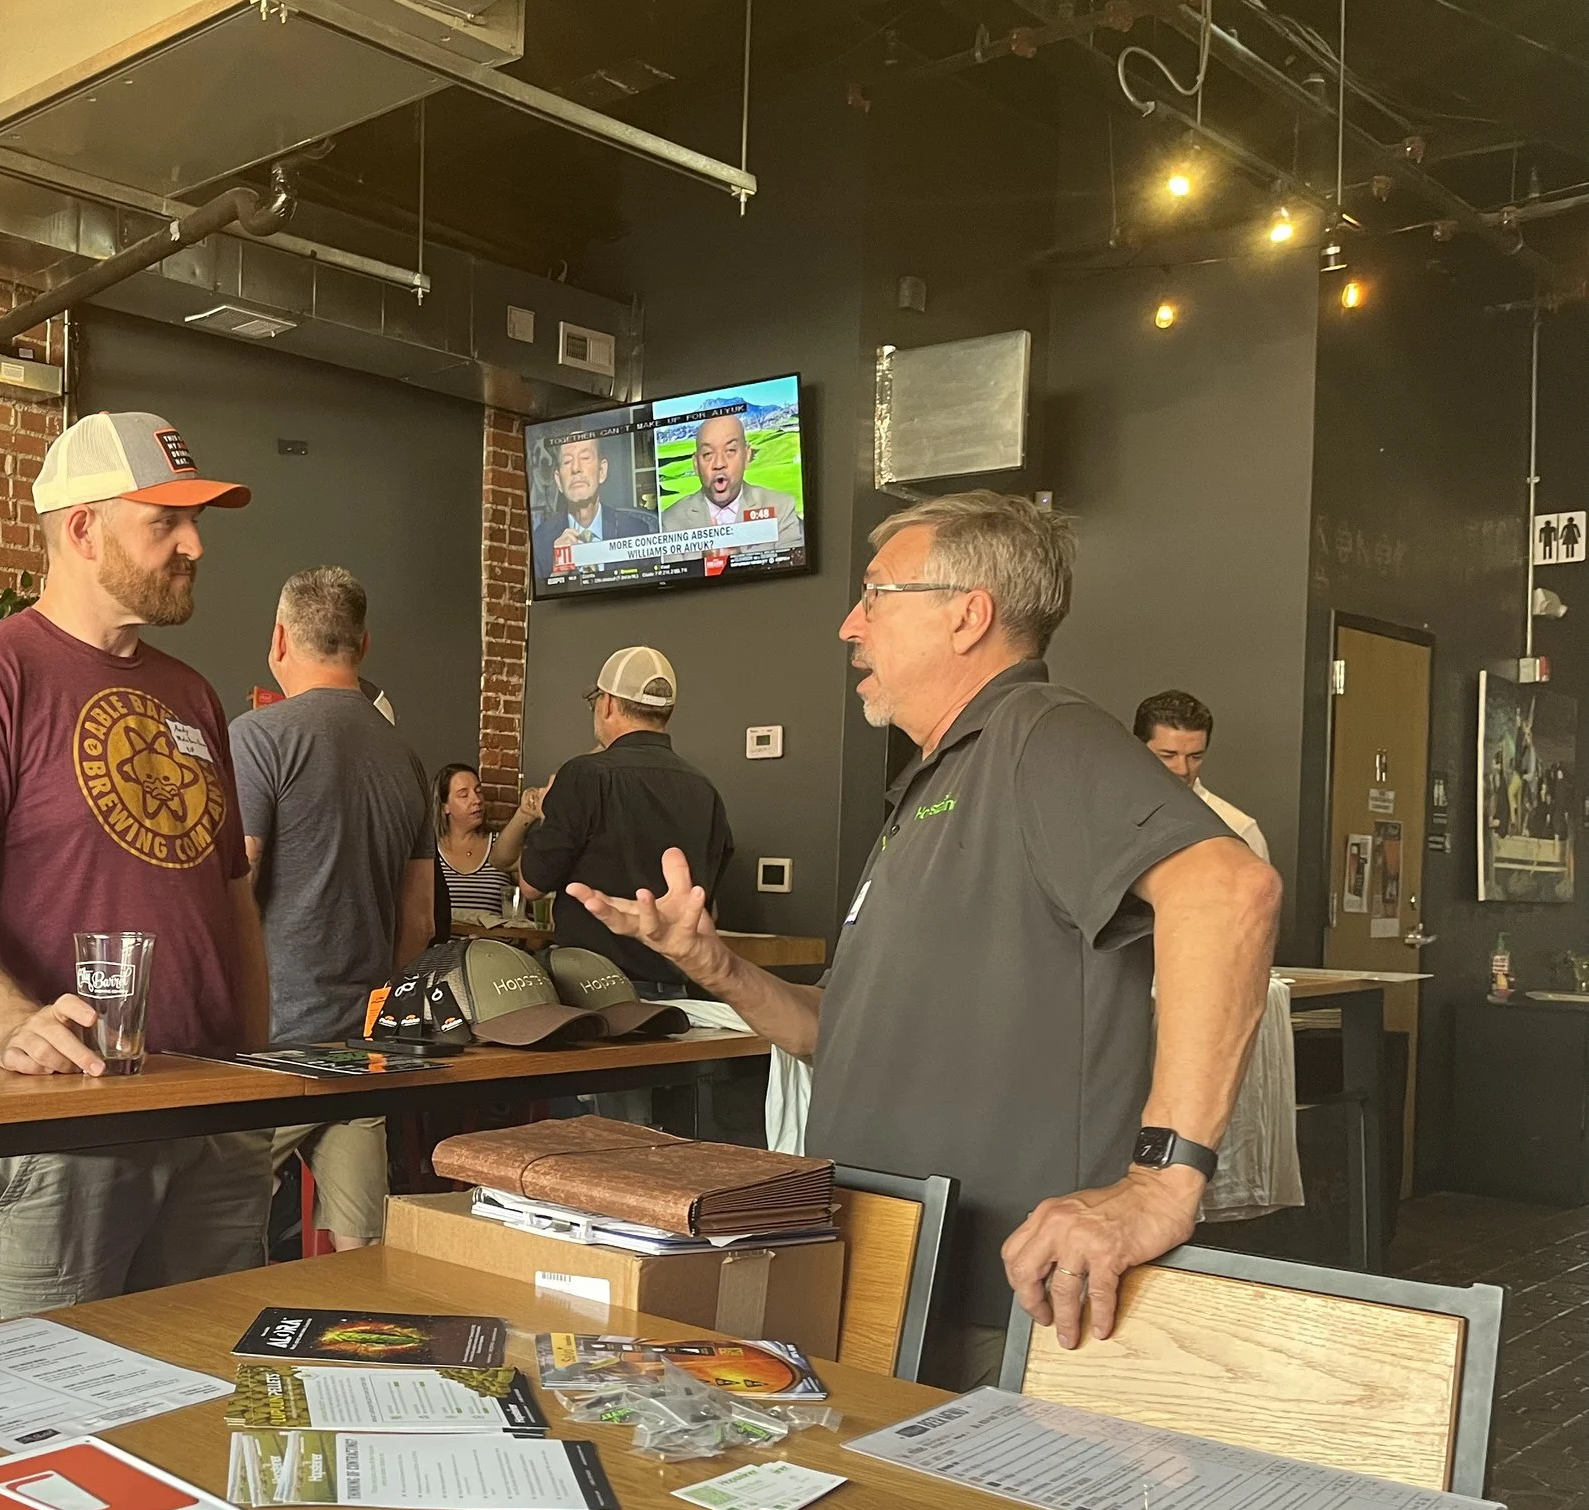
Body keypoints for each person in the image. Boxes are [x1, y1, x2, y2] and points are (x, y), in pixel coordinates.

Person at [568, 492, 1282, 1382]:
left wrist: (1163, 1181)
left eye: (874, 595)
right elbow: (842, 1038)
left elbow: (1231, 890)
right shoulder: (934, 783)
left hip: (1007, 1312)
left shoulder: (1042, 734)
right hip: (893, 1288)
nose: (848, 625)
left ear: (967, 615)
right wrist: (708, 962)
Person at [0, 411, 272, 1319]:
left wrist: (254, 1074)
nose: (195, 546)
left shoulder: (193, 693)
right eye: (165, 522)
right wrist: (11, 1020)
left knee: (214, 1390)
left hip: (211, 1113)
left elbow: (230, 896)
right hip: (64, 1120)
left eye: (197, 521)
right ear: (81, 528)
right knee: (50, 1416)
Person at [230, 566, 432, 1249]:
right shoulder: (406, 758)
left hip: (268, 1046)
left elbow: (238, 881)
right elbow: (421, 923)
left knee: (218, 1232)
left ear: (279, 639)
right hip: (361, 1046)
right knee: (360, 1256)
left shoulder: (259, 737)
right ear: (363, 644)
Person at [519, 646, 734, 990]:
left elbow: (531, 885)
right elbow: (710, 906)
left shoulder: (584, 775)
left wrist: (547, 813)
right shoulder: (704, 788)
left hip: (591, 991)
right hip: (679, 992)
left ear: (606, 703)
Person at [1135, 689, 1271, 862]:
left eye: (1195, 757)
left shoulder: (1238, 830)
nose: (1182, 769)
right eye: (1168, 756)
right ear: (1138, 750)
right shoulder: (1104, 816)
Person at [658, 413, 804, 548]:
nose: (719, 464)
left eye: (730, 451)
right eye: (708, 454)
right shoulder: (670, 521)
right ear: (696, 464)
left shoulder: (781, 508)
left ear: (747, 456)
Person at [531, 429, 655, 575]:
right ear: (558, 481)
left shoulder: (635, 531)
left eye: (585, 458)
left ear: (601, 471)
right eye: (567, 461)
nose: (576, 468)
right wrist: (557, 575)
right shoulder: (541, 540)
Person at [434, 762, 543, 924]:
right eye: (464, 795)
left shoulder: (502, 848)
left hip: (493, 947)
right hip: (443, 948)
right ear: (445, 807)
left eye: (478, 791)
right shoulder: (430, 851)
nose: (476, 800)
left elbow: (537, 897)